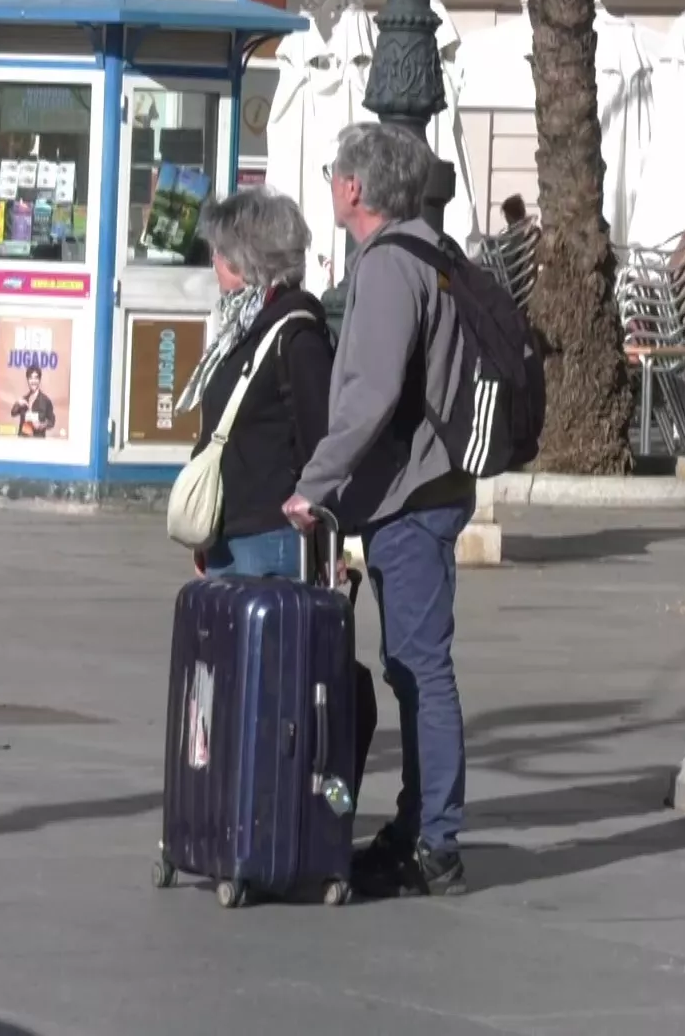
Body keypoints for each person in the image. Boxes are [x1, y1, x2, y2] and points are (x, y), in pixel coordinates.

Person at [284, 122, 477, 898]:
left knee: (422, 667)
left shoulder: (392, 264)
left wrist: (316, 483)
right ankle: (419, 825)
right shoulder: (434, 253)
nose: (331, 181)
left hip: (413, 496)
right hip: (428, 487)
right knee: (410, 665)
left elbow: (370, 392)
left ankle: (437, 841)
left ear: (355, 188)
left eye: (335, 172)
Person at [175, 186, 333, 579]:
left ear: (249, 259)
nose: (214, 261)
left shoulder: (296, 334)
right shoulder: (241, 327)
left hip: (271, 537)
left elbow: (318, 438)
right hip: (228, 535)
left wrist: (329, 545)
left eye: (222, 252)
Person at [10, 366, 55, 438]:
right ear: (27, 380)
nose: (33, 381)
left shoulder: (46, 400)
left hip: (38, 442)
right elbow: (13, 413)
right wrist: (17, 403)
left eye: (36, 378)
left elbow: (52, 422)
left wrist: (41, 425)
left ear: (39, 380)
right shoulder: (24, 399)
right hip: (22, 441)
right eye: (30, 378)